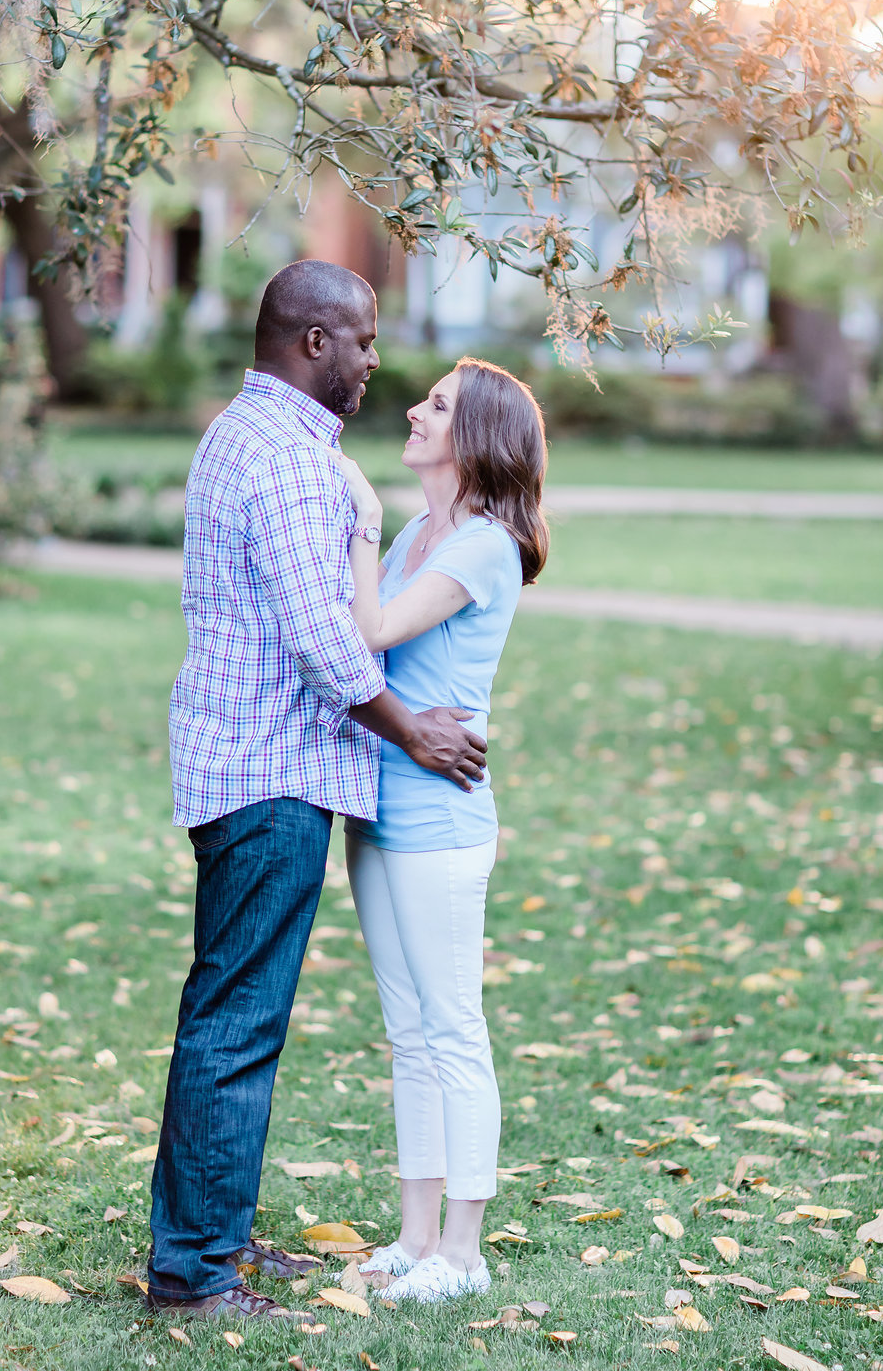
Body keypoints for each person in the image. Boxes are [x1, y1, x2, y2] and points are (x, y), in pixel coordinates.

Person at [146, 262, 488, 1325]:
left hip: (238, 765)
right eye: (365, 342)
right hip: (267, 774)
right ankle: (196, 1273)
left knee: (228, 1011)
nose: (377, 362)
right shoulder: (291, 462)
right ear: (313, 343)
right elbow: (323, 644)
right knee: (236, 1021)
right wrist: (413, 732)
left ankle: (211, 1237)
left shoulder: (242, 435)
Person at [333, 357, 549, 1304]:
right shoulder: (428, 528)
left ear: (478, 439)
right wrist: (383, 531)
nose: (415, 412)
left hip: (440, 819)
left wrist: (358, 522)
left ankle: (464, 1254)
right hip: (376, 805)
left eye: (438, 407)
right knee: (407, 1031)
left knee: (453, 1027)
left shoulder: (485, 546)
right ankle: (416, 1238)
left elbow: (367, 630)